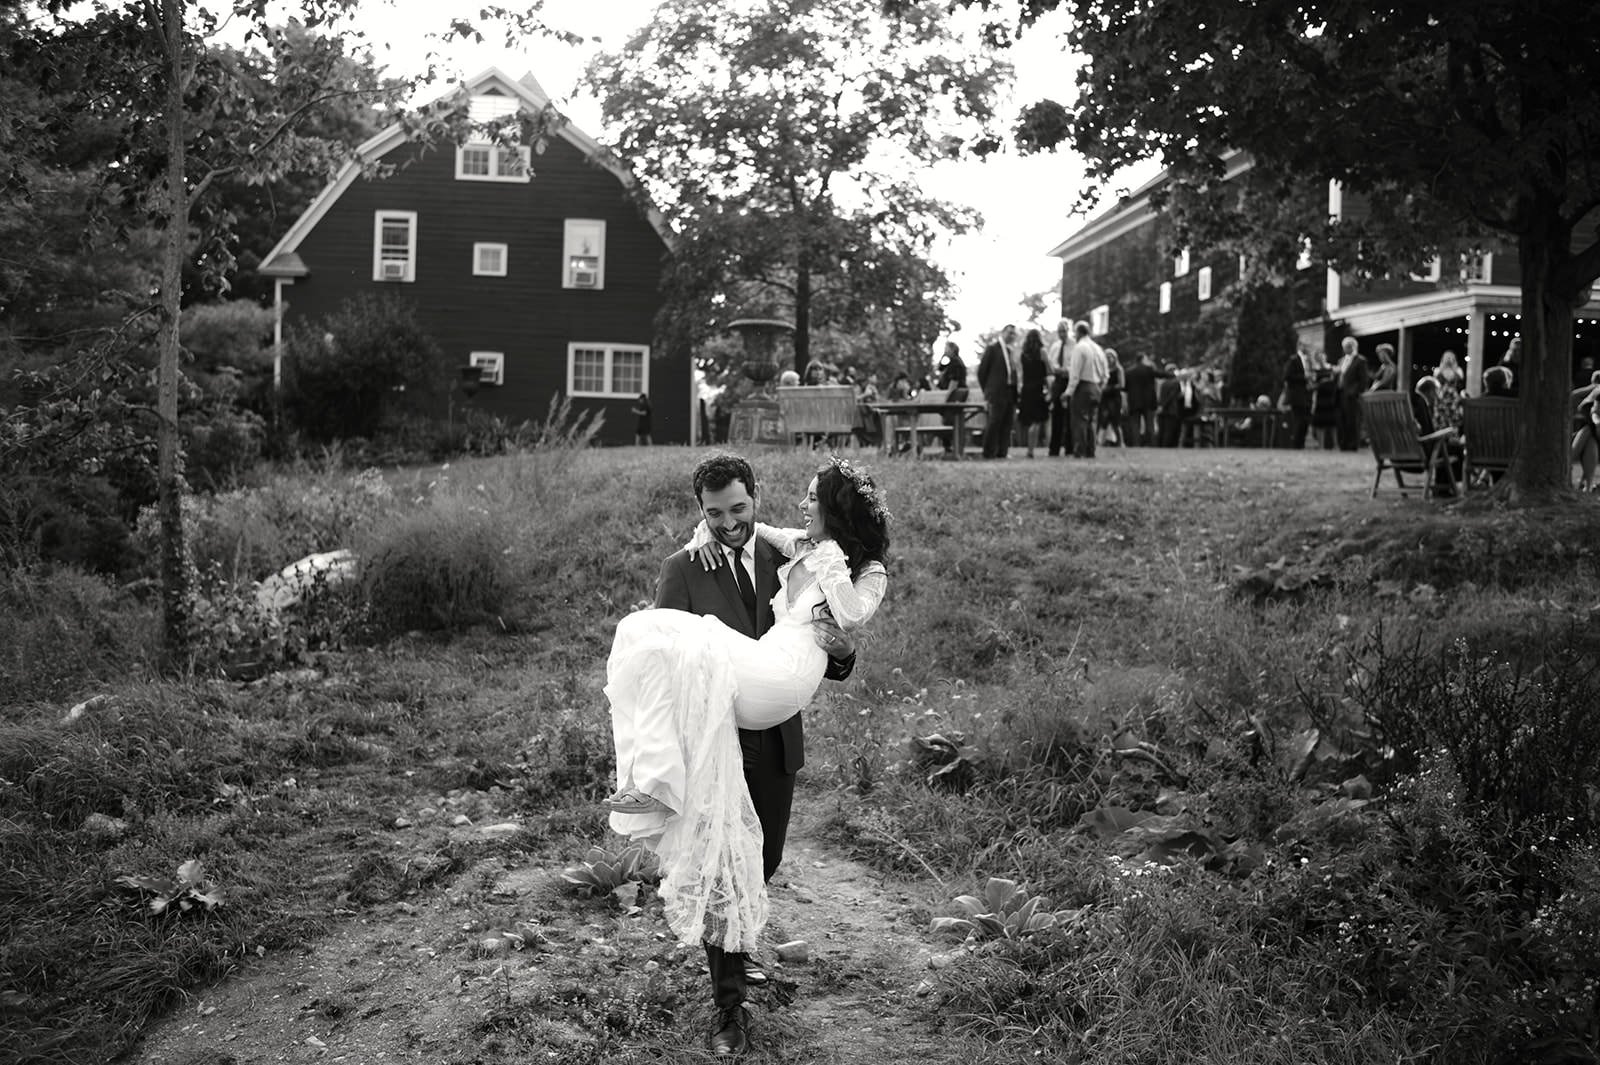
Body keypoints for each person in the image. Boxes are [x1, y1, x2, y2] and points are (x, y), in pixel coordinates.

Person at [606, 453, 880, 1056]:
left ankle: (738, 946)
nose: (728, 524)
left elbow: (827, 648)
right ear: (699, 513)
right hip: (714, 741)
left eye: (738, 509)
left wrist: (841, 651)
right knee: (719, 861)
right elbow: (665, 667)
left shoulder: (792, 554)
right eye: (714, 515)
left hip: (776, 732)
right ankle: (728, 1006)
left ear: (756, 498)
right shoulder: (683, 568)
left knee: (765, 856)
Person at [977, 324, 1021, 459]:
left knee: (1007, 422)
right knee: (995, 421)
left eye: (1014, 334)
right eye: (1010, 333)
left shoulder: (1011, 351)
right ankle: (988, 452)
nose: (1012, 336)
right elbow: (982, 372)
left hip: (1010, 391)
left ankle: (1002, 452)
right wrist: (988, 390)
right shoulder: (993, 349)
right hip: (996, 392)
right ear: (1003, 333)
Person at [1066, 320, 1108, 458]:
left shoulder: (1080, 348)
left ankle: (1080, 450)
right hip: (1096, 387)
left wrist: (1068, 392)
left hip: (1083, 386)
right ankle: (1091, 450)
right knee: (1092, 420)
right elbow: (1106, 374)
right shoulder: (1098, 349)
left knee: (1080, 420)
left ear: (1078, 332)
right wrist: (1100, 387)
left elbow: (1075, 374)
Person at [1017, 328, 1050, 457]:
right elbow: (1048, 370)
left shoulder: (1023, 354)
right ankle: (1031, 449)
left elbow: (1021, 373)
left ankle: (1030, 448)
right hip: (1038, 389)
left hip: (1026, 389)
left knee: (1030, 420)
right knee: (1037, 421)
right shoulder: (1042, 352)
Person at [1335, 337, 1370, 451]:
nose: (1346, 348)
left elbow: (1363, 380)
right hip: (1340, 394)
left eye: (1349, 346)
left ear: (1354, 347)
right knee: (1342, 420)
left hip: (1352, 396)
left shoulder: (1360, 361)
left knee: (1353, 420)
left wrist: (1354, 392)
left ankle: (1352, 445)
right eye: (1345, 346)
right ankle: (1343, 444)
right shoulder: (1341, 361)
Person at [1045, 320, 1073, 455]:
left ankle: (1070, 448)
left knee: (1070, 415)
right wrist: (1056, 370)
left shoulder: (1074, 345)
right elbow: (1050, 364)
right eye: (1060, 331)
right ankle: (1054, 449)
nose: (1062, 334)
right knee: (1056, 416)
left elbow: (1076, 364)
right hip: (1058, 381)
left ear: (1068, 331)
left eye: (1064, 331)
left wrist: (1067, 370)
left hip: (1070, 380)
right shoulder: (1055, 346)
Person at [1122, 352, 1162, 446]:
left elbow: (1125, 388)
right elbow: (1161, 374)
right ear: (1143, 359)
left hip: (1134, 402)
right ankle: (1152, 444)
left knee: (1135, 425)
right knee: (1150, 425)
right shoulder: (1149, 369)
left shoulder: (1129, 372)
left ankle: (1136, 444)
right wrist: (1174, 375)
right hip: (1149, 402)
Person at [1283, 343, 1313, 448]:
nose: (1307, 348)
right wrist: (1304, 377)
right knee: (1298, 420)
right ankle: (1296, 444)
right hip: (1296, 396)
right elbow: (1287, 376)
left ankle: (1301, 444)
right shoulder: (1293, 360)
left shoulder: (1308, 361)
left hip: (1306, 396)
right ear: (1300, 347)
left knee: (1305, 420)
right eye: (1306, 346)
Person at [1099, 347, 1126, 447]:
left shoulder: (1119, 369)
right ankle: (1100, 441)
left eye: (1111, 357)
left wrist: (1109, 388)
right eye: (1107, 357)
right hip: (1105, 397)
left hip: (1114, 397)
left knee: (1116, 420)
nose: (1109, 359)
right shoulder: (1103, 370)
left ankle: (1121, 441)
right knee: (1103, 420)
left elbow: (1122, 384)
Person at [1434, 350, 1465, 432]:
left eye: (1451, 358)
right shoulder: (1438, 371)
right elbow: (1437, 386)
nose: (1449, 360)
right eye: (1447, 358)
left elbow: (1460, 386)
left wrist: (1453, 369)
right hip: (1441, 400)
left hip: (1454, 401)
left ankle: (1453, 434)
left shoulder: (1458, 371)